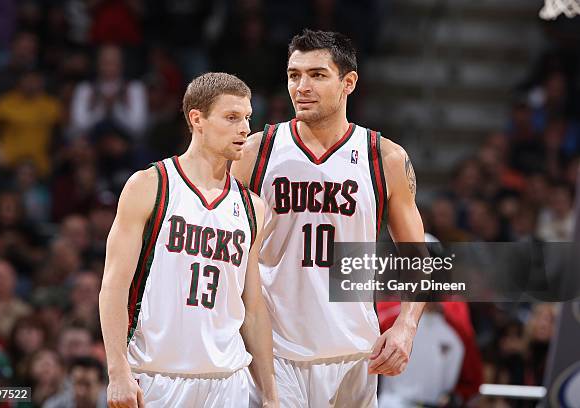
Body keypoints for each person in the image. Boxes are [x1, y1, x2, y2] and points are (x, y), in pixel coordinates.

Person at [231, 29, 426, 407]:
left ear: (348, 82)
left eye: (317, 75)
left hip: (355, 354)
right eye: (294, 75)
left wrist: (405, 326)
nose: (302, 86)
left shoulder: (384, 159)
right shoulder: (255, 151)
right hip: (274, 353)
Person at [100, 72, 278, 407]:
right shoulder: (150, 185)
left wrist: (269, 394)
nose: (244, 129)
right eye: (232, 117)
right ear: (197, 119)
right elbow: (113, 286)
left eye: (247, 118)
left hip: (229, 381)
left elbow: (253, 308)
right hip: (156, 375)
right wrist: (117, 371)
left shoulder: (253, 206)